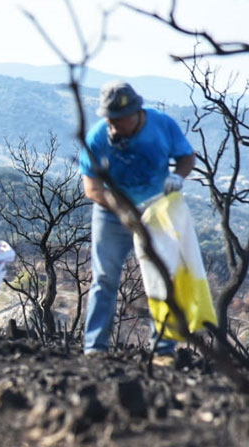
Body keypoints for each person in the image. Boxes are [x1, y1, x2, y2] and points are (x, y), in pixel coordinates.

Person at [78, 81, 195, 364]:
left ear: (136, 113)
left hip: (156, 210)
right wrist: (120, 208)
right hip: (112, 213)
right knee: (105, 277)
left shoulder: (161, 125)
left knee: (161, 275)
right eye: (109, 119)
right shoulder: (97, 138)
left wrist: (178, 176)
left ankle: (163, 348)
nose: (113, 125)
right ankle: (95, 347)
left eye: (118, 119)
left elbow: (186, 157)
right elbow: (91, 188)